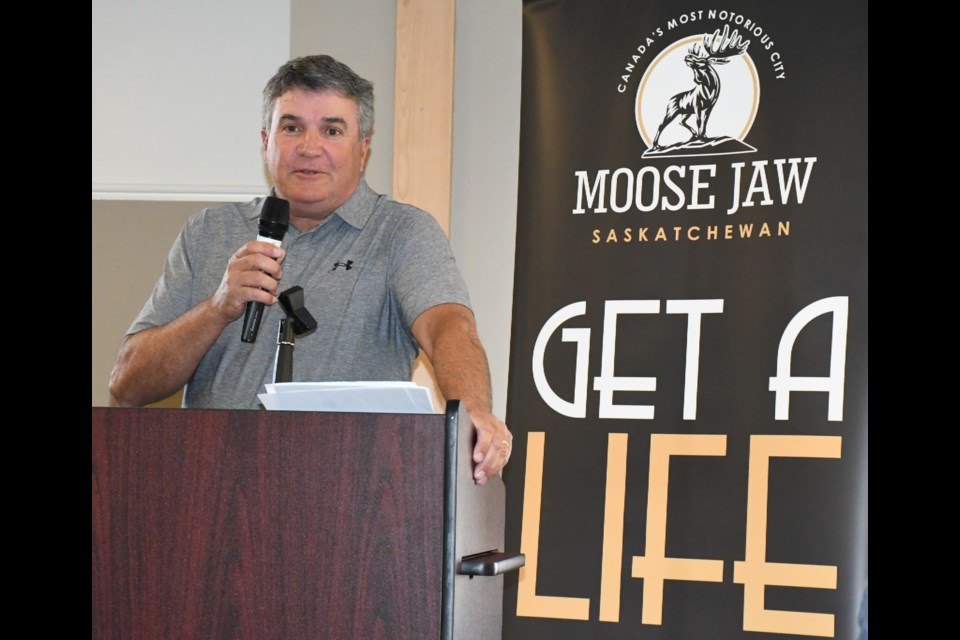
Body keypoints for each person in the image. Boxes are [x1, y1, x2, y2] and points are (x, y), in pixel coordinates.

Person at [109, 54, 512, 484]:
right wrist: (217, 307)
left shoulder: (401, 232)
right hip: (213, 499)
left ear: (364, 147)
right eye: (292, 127)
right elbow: (128, 386)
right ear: (266, 140)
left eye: (332, 130)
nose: (309, 147)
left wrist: (474, 418)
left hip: (352, 502)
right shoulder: (210, 231)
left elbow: (449, 327)